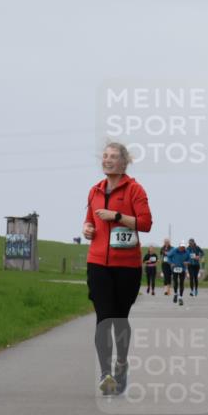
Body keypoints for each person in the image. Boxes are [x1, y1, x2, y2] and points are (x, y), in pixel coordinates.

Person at [83, 142, 152, 396]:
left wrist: (117, 217)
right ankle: (106, 373)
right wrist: (87, 229)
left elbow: (145, 224)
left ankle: (121, 364)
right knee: (104, 319)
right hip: (98, 263)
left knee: (120, 320)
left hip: (127, 267)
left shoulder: (135, 190)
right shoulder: (94, 191)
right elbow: (89, 221)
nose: (107, 160)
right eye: (105, 156)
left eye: (113, 157)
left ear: (124, 163)